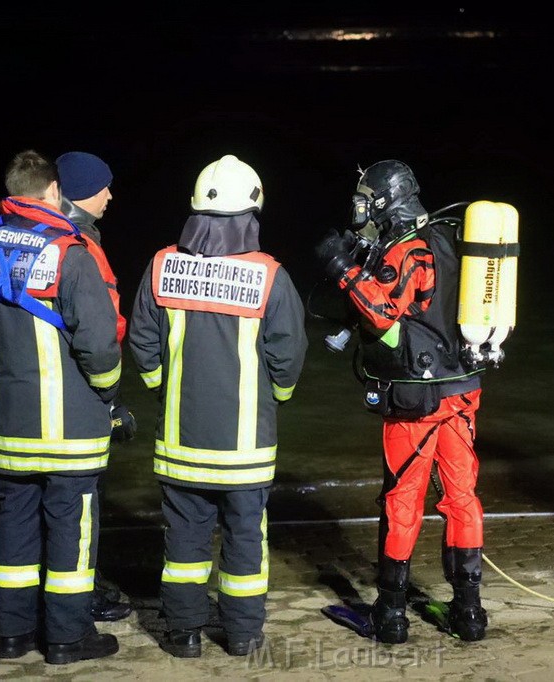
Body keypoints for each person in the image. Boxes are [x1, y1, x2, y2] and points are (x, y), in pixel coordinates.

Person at [128, 154, 307, 658]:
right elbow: (288, 355)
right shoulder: (270, 276)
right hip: (245, 450)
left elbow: (141, 339)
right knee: (245, 543)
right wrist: (277, 399)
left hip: (180, 443)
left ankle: (183, 636)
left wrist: (164, 389)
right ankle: (243, 635)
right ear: (251, 212)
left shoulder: (163, 264)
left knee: (183, 543)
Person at [314, 160, 489, 642]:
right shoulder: (450, 237)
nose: (362, 209)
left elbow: (382, 313)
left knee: (403, 501)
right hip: (462, 392)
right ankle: (469, 613)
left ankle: (389, 614)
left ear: (385, 201)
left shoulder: (408, 250)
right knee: (461, 498)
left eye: (366, 200)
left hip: (416, 401)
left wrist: (342, 268)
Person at [0, 150, 122, 664]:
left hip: (8, 425)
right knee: (71, 539)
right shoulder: (70, 256)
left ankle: (12, 637)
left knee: (14, 532)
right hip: (68, 428)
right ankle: (68, 640)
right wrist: (109, 395)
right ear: (53, 191)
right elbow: (99, 347)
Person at [56, 150, 135, 623]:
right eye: (103, 186)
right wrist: (110, 399)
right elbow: (99, 333)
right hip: (79, 393)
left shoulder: (63, 240)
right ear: (82, 191)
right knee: (79, 505)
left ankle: (66, 594)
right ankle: (80, 598)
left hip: (46, 392)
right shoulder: (78, 248)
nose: (110, 194)